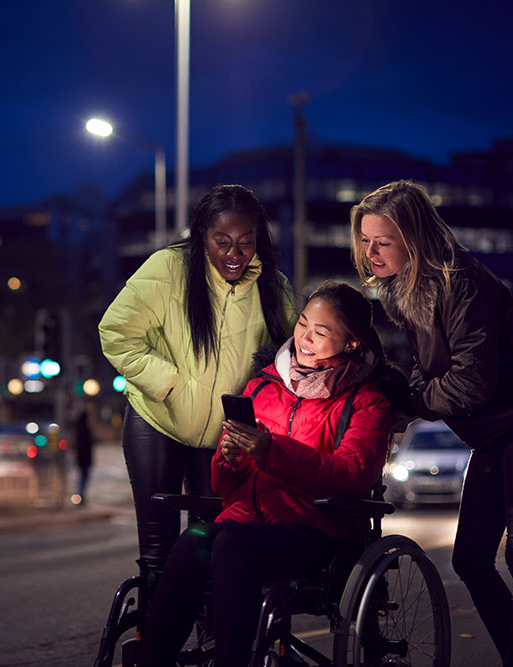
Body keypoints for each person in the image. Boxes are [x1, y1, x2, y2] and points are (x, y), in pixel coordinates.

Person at [351, 179, 513, 667]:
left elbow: (472, 384)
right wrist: (395, 413)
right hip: (497, 431)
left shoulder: (459, 282)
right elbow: (423, 370)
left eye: (382, 242)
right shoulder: (404, 288)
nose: (371, 253)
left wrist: (415, 401)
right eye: (366, 241)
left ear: (413, 238)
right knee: (470, 558)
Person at [137, 281, 411, 667]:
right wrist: (229, 458)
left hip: (313, 531)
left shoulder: (366, 402)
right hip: (245, 521)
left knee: (231, 543)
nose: (305, 338)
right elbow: (223, 487)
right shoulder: (263, 386)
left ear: (351, 343)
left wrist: (270, 451)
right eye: (302, 324)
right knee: (194, 538)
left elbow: (352, 476)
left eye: (321, 331)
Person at [99, 184, 299, 577]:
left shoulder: (274, 288)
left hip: (224, 439)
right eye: (221, 241)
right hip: (158, 421)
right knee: (158, 552)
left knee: (212, 549)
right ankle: (151, 634)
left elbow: (293, 359)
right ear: (202, 234)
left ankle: (210, 637)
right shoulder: (168, 268)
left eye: (245, 242)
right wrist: (171, 385)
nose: (234, 254)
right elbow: (116, 332)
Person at [71, 400, 95, 505]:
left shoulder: (80, 428)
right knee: (83, 476)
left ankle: (80, 496)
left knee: (82, 476)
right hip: (84, 456)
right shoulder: (85, 428)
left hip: (83, 456)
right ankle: (80, 496)